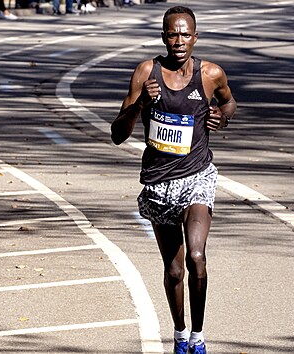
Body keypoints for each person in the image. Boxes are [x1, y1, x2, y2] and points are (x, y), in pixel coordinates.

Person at [111, 5, 236, 354]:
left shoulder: (210, 74)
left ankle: (198, 337)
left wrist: (220, 119)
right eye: (172, 33)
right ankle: (180, 334)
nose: (178, 40)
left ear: (195, 37)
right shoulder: (145, 73)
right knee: (175, 269)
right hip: (158, 182)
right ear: (163, 36)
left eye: (185, 33)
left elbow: (229, 104)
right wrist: (139, 107)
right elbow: (117, 134)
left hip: (197, 176)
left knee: (197, 256)